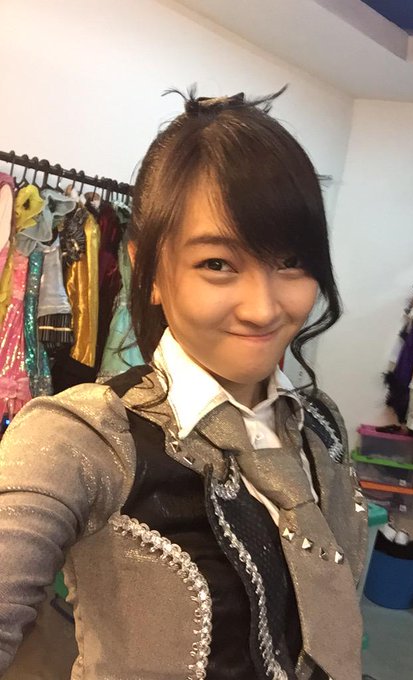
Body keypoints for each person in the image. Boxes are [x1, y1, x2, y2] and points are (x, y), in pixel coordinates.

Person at [0, 88, 367, 680]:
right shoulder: (85, 439)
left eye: (291, 262)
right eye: (217, 264)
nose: (263, 308)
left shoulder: (320, 423)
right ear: (148, 268)